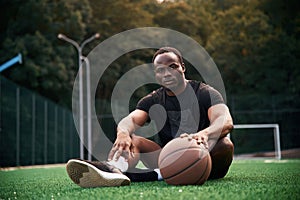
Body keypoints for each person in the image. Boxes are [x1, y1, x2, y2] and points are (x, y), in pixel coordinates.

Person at [66, 47, 234, 187]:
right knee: (133, 139)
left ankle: (158, 175)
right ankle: (114, 170)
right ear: (156, 75)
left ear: (183, 67)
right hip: (167, 157)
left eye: (172, 66)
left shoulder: (204, 93)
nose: (167, 73)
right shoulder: (153, 99)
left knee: (225, 144)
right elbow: (130, 120)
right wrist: (123, 133)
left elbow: (225, 121)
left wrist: (203, 135)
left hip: (204, 157)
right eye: (161, 70)